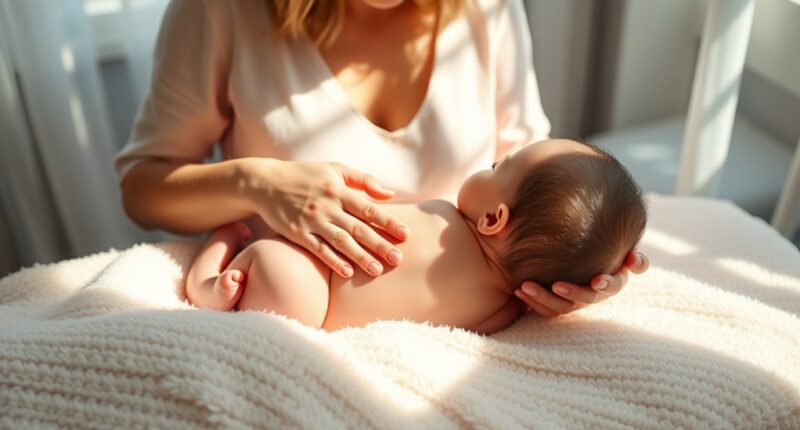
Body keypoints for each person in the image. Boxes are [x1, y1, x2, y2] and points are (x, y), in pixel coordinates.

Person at [115, 0, 649, 320]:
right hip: (290, 279)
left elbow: (544, 184)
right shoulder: (224, 10)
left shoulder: (486, 9)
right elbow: (144, 184)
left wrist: (574, 271)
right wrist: (256, 183)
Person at [184, 139, 647, 333]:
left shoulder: (442, 214)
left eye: (495, 168)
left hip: (306, 272)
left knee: (258, 259)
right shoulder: (503, 310)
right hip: (315, 314)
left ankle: (214, 261)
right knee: (271, 286)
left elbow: (375, 224)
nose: (488, 165)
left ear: (493, 219)